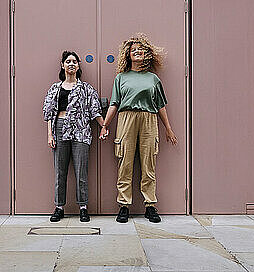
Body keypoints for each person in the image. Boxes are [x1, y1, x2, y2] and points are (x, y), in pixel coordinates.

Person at [100, 34, 178, 223]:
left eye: (140, 49)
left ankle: (150, 205)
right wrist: (105, 125)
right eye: (133, 49)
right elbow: (114, 103)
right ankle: (124, 206)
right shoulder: (121, 78)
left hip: (149, 120)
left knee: (148, 163)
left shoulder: (153, 79)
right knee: (125, 162)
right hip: (126, 118)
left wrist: (168, 128)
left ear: (147, 54)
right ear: (128, 54)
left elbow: (160, 105)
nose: (137, 51)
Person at [42, 50, 107, 222]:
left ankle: (83, 207)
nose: (71, 64)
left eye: (74, 61)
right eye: (68, 61)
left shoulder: (86, 88)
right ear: (62, 65)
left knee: (81, 171)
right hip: (60, 128)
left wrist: (103, 126)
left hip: (81, 130)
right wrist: (50, 134)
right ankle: (59, 207)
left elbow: (94, 110)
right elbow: (49, 114)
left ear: (78, 66)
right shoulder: (55, 89)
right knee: (60, 171)